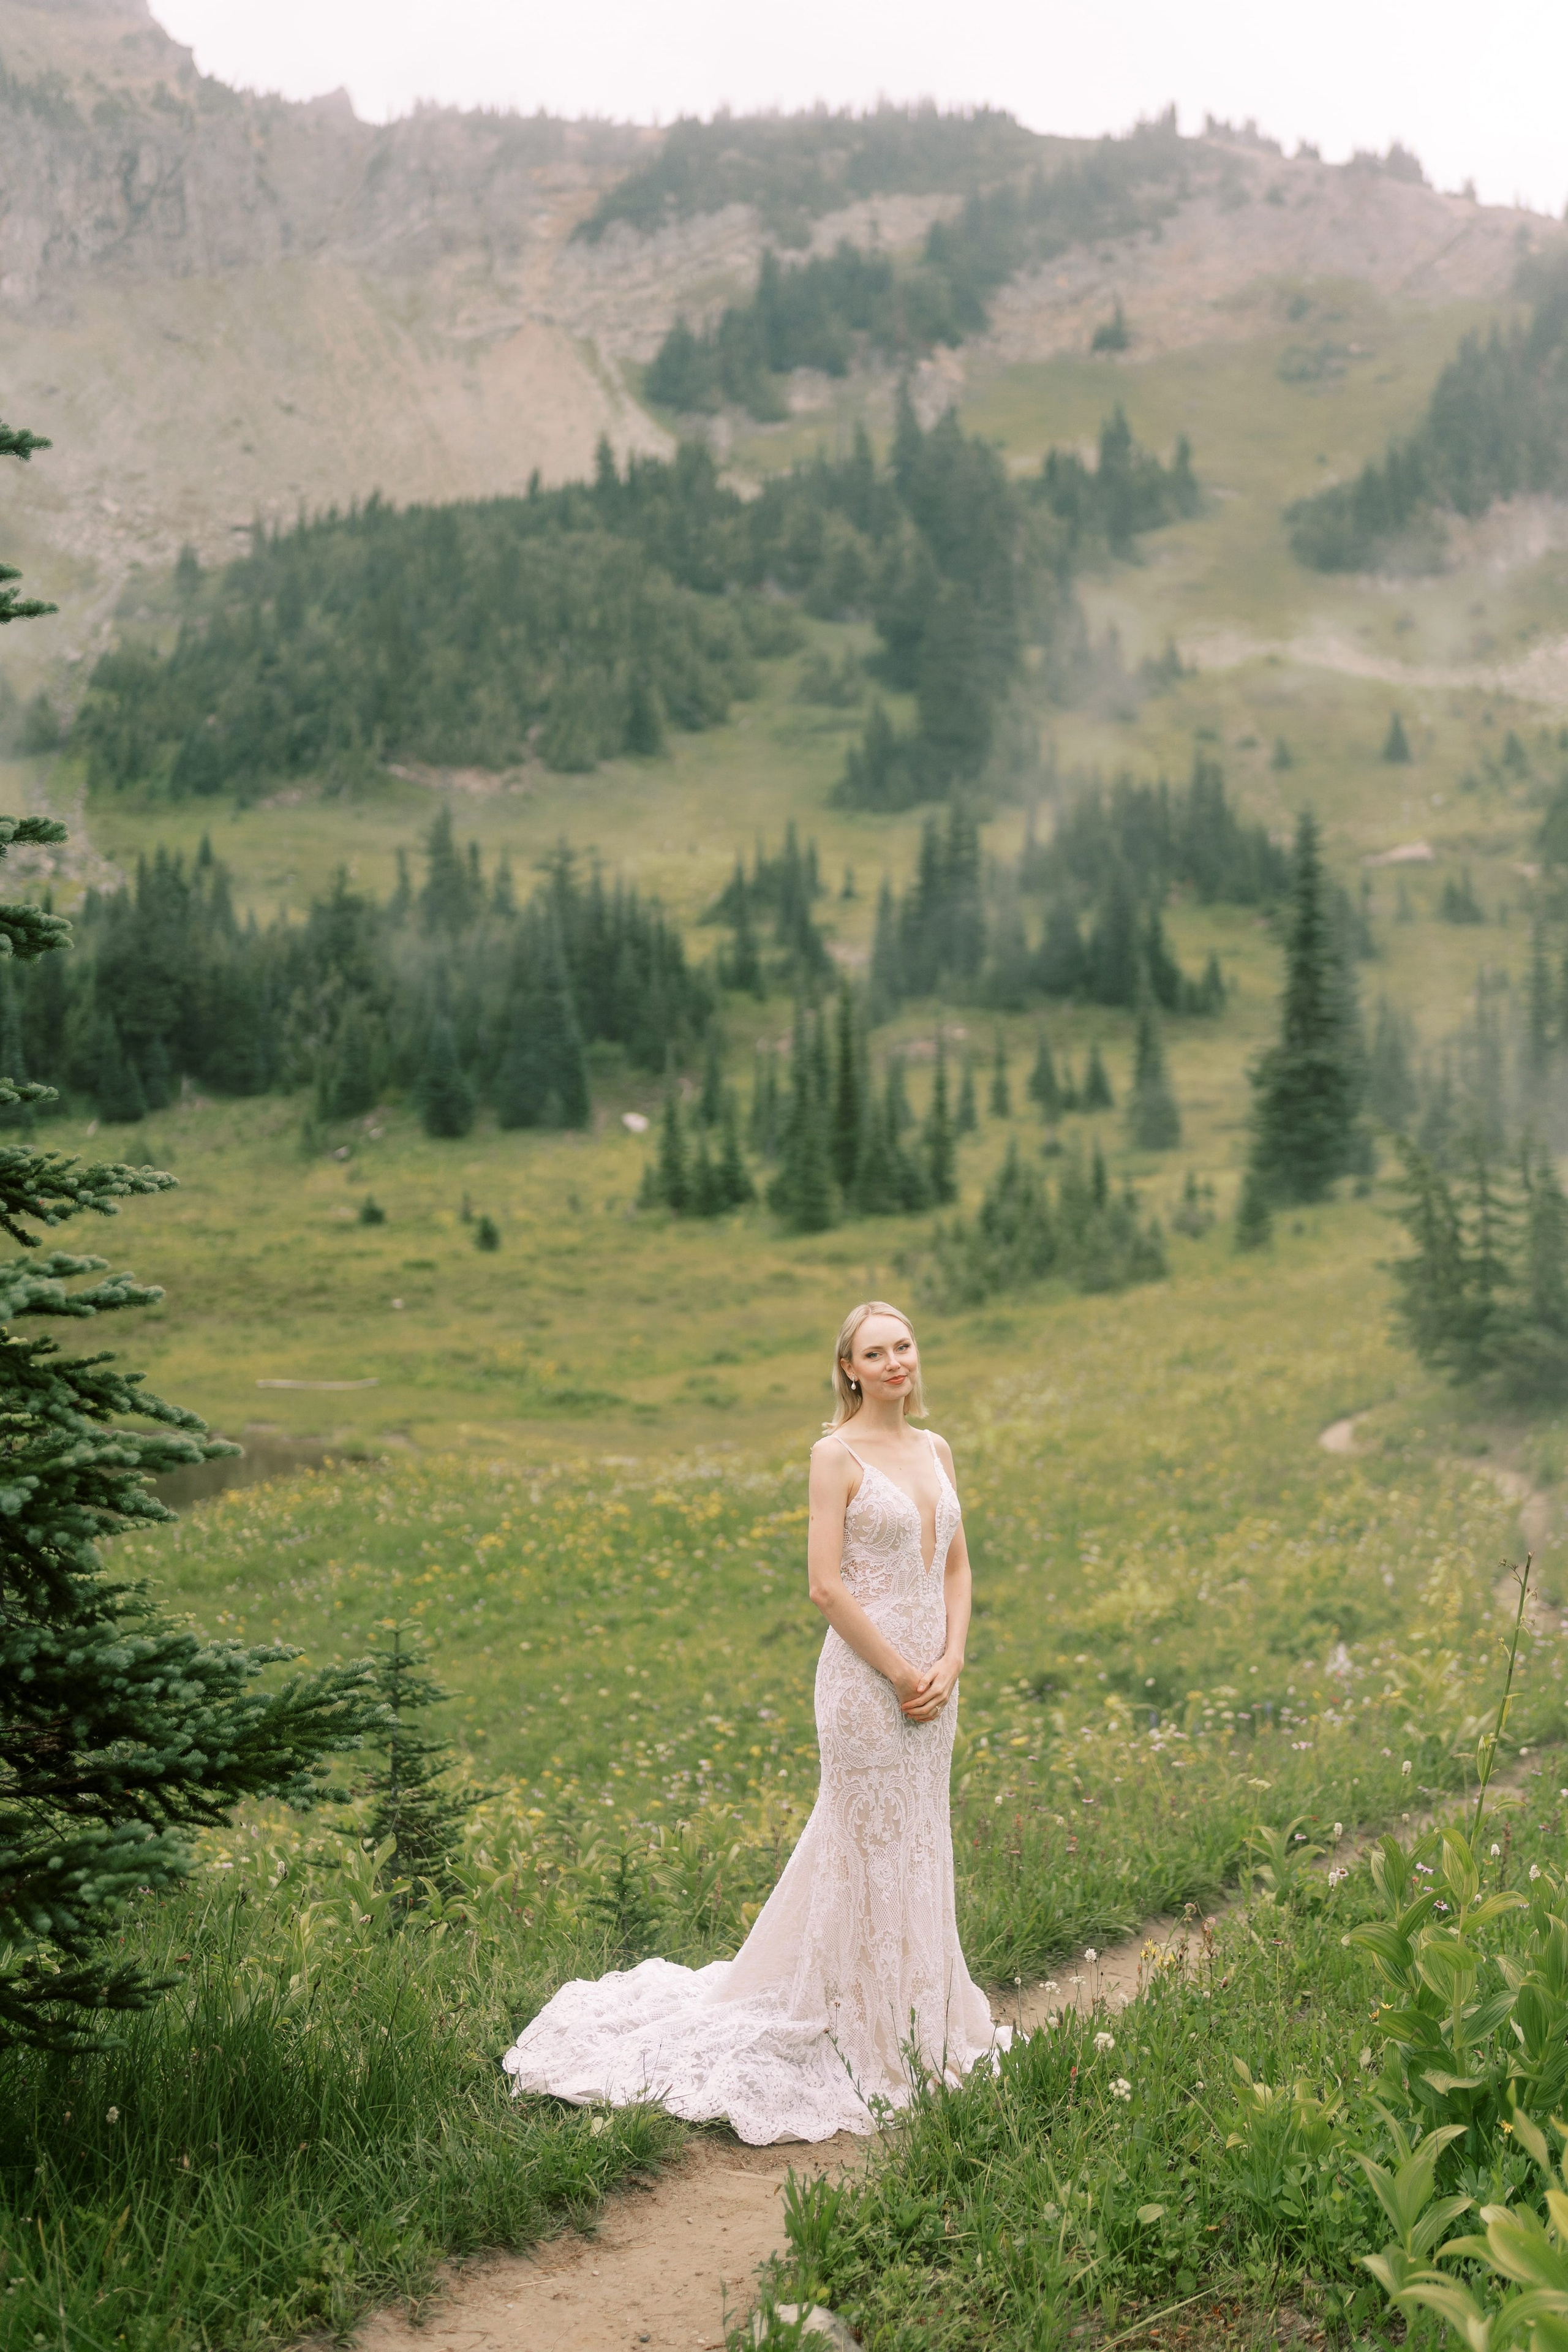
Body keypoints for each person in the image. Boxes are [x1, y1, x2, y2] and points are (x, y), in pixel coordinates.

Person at [500, 1300, 1006, 2145]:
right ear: (848, 1369)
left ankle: (921, 2017)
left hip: (933, 1686)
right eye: (874, 1353)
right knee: (861, 1841)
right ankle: (856, 2030)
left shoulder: (936, 1449)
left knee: (919, 1836)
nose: (893, 1363)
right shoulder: (833, 1456)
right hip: (864, 1686)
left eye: (904, 1346)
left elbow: (956, 1567)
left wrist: (951, 1662)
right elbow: (825, 1587)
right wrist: (898, 1670)